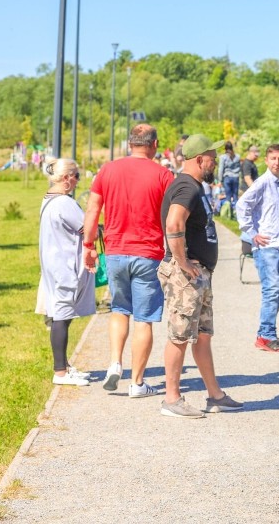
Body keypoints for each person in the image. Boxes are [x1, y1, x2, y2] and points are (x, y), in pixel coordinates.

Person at [83, 124, 174, 398]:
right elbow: (173, 217)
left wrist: (89, 246)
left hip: (115, 252)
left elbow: (92, 208)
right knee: (144, 319)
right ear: (155, 144)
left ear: (129, 143)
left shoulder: (108, 170)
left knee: (119, 309)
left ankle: (114, 363)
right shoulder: (163, 174)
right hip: (148, 254)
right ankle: (137, 383)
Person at [157, 134, 244, 418]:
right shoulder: (186, 186)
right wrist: (182, 262)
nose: (216, 161)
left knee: (203, 336)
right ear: (199, 159)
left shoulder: (193, 186)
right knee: (180, 336)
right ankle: (171, 399)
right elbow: (173, 222)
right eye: (212, 157)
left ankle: (215, 395)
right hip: (186, 277)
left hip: (199, 275)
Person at [38, 158, 95, 386]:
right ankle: (60, 372)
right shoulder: (64, 203)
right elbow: (87, 229)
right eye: (77, 175)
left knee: (63, 314)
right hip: (64, 266)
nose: (78, 180)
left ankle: (65, 367)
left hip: (55, 264)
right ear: (67, 178)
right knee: (61, 316)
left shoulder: (49, 199)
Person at [236, 144, 279, 352]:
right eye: (273, 159)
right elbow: (242, 206)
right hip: (267, 245)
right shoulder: (263, 182)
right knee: (272, 290)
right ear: (267, 161)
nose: (277, 162)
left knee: (277, 293)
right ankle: (265, 335)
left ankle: (269, 333)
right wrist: (252, 233)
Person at [218, 141, 241, 215]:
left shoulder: (223, 157)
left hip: (227, 178)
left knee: (228, 196)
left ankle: (228, 213)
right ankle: (236, 213)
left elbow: (221, 169)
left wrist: (220, 180)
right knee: (235, 196)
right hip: (235, 177)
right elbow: (239, 167)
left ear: (225, 148)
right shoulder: (237, 156)